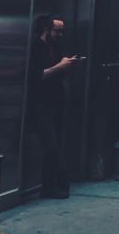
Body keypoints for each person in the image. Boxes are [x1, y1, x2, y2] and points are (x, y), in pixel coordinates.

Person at [27, 15, 81, 199]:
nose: (61, 35)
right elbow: (37, 76)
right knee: (50, 145)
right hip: (40, 103)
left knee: (56, 144)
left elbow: (57, 74)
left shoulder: (56, 47)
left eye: (62, 31)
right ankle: (58, 182)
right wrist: (60, 66)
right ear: (46, 30)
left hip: (57, 101)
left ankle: (48, 186)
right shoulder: (36, 48)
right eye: (58, 31)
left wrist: (67, 66)